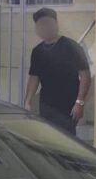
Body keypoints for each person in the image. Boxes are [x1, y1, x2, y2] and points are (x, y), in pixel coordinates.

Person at [24, 8, 91, 136]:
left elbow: (85, 75)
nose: (45, 27)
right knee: (48, 138)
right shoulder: (37, 51)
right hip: (46, 106)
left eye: (48, 23)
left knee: (66, 138)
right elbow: (34, 78)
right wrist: (28, 101)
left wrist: (79, 102)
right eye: (41, 25)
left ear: (56, 24)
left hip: (68, 106)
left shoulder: (71, 47)